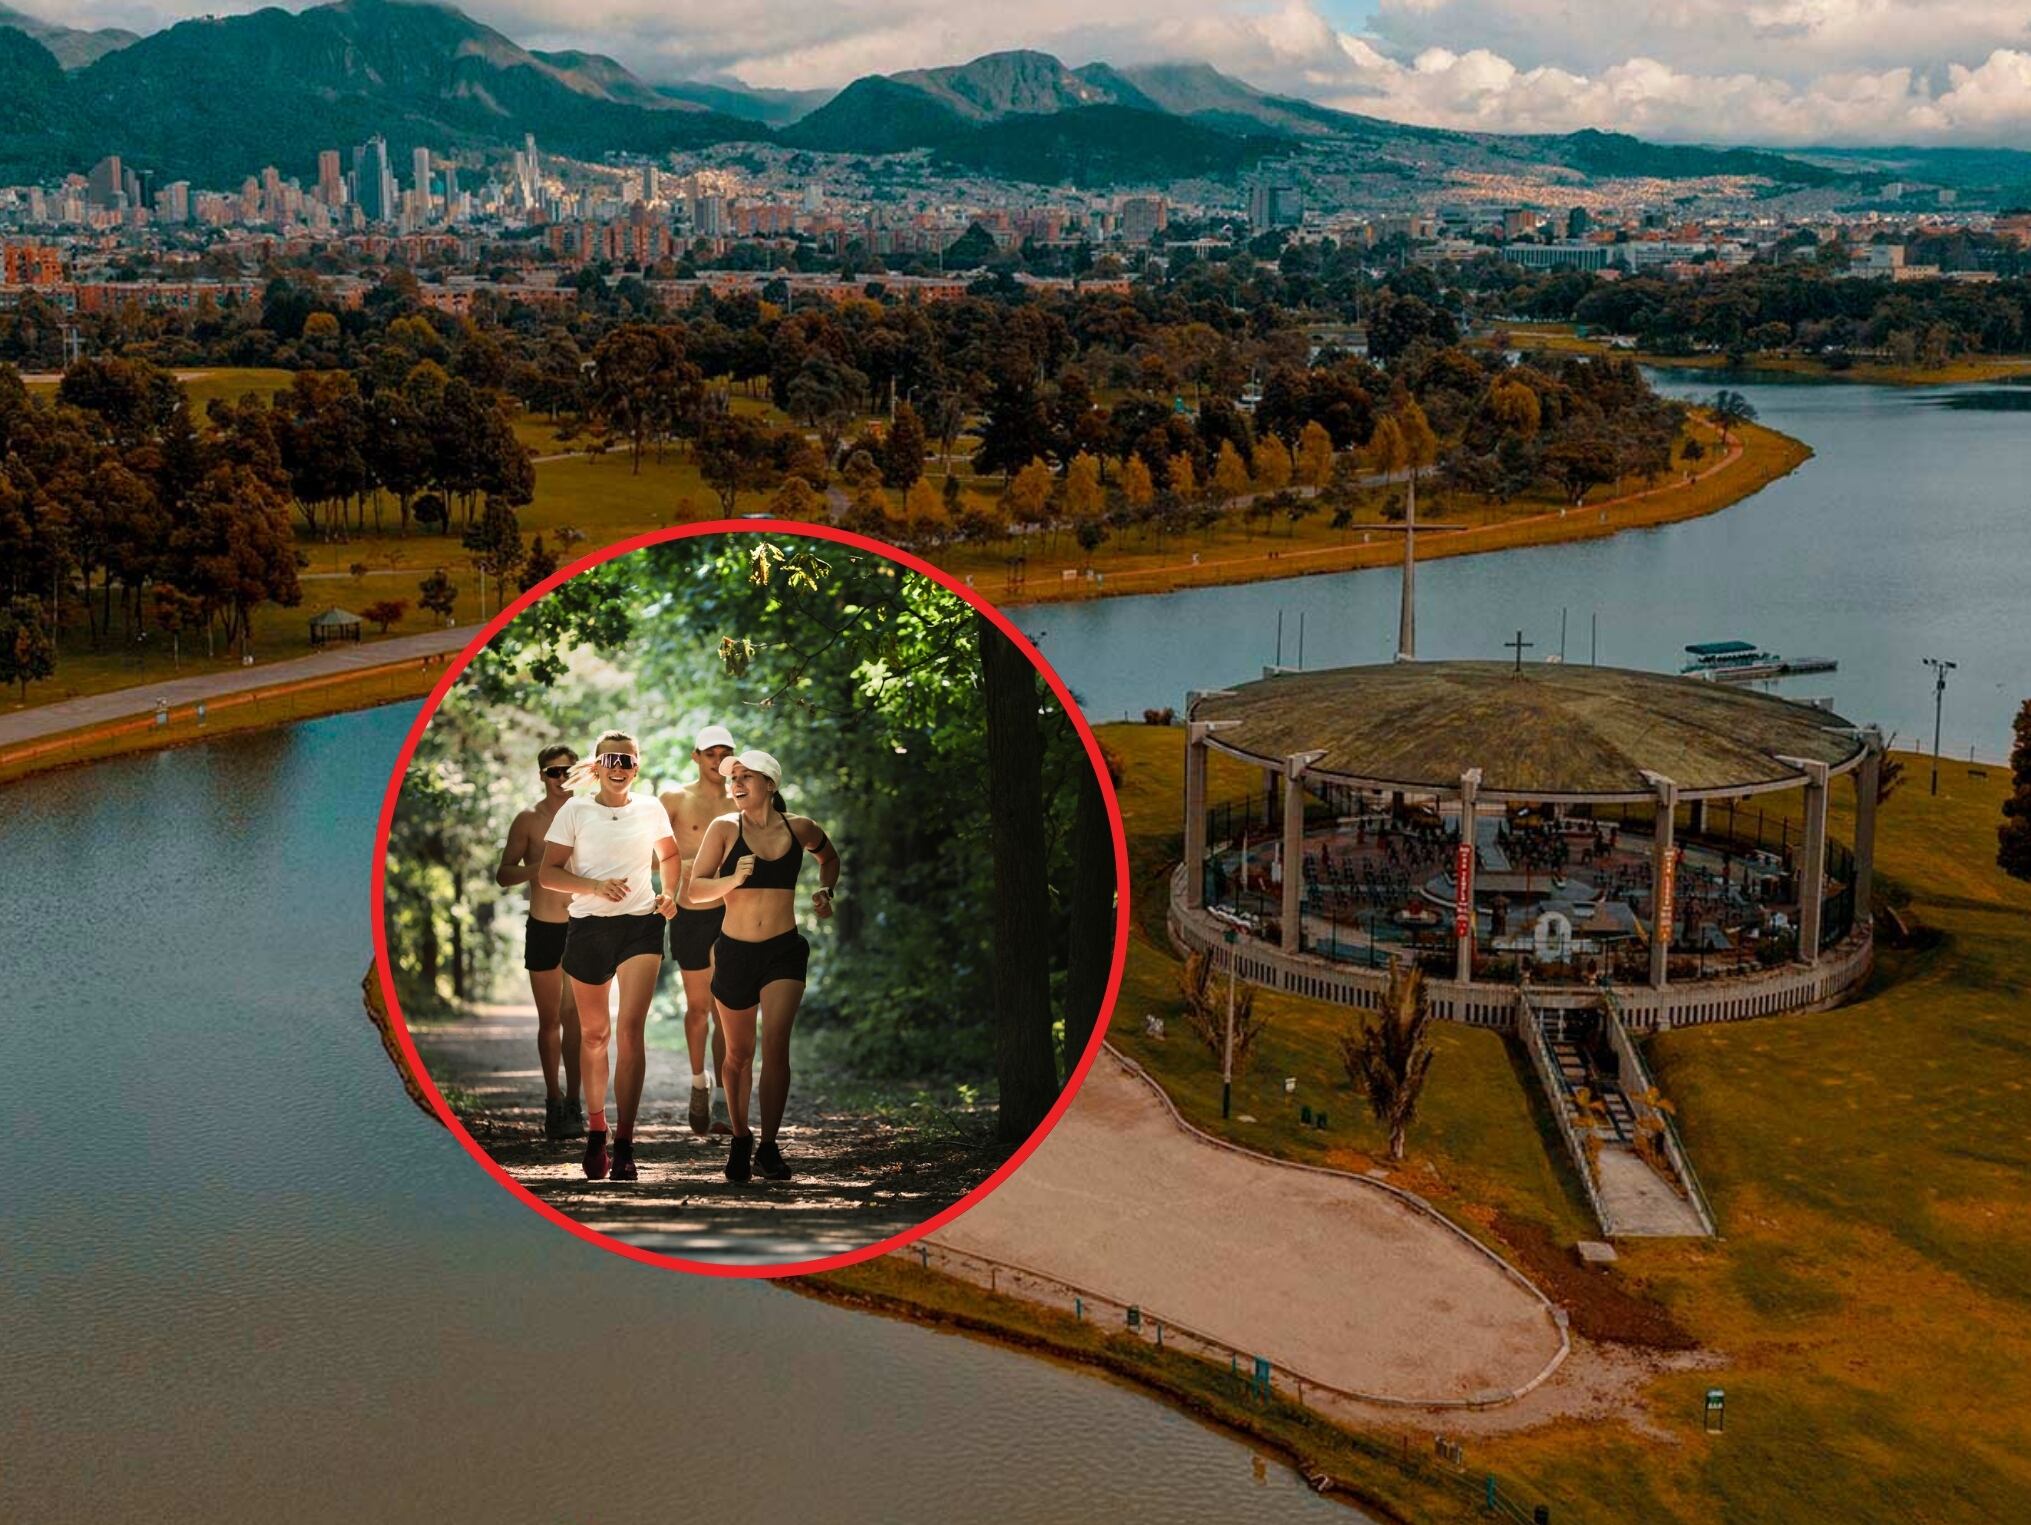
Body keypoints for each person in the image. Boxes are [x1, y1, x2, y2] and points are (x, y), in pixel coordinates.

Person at [684, 750, 839, 1184]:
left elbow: (829, 858)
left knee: (775, 1046)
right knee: (738, 1055)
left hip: (783, 952)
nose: (735, 783)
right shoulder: (723, 828)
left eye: (745, 776)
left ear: (770, 784)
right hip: (734, 953)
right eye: (732, 778)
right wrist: (733, 879)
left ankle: (769, 1147)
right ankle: (740, 1137)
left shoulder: (800, 828)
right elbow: (695, 890)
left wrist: (826, 890)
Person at [537, 731, 681, 1184]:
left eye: (627, 760)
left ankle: (624, 1145)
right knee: (596, 1035)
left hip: (641, 925)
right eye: (610, 760)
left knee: (631, 1032)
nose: (619, 768)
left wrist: (669, 893)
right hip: (589, 928)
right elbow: (548, 874)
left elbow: (670, 855)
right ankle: (597, 1131)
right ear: (598, 765)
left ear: (637, 766)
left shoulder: (651, 808)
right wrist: (594, 887)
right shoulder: (575, 810)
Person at [493, 743, 584, 1141]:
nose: (561, 778)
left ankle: (575, 1102)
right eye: (553, 771)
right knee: (550, 1021)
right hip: (545, 927)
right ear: (542, 775)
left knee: (575, 1018)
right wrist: (540, 866)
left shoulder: (590, 815)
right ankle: (553, 1101)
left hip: (582, 925)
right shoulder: (528, 820)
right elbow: (503, 874)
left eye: (568, 771)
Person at [660, 724, 736, 1135]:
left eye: (724, 754)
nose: (717, 761)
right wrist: (674, 873)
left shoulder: (741, 798)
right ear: (696, 756)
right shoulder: (675, 798)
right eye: (710, 753)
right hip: (689, 913)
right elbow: (646, 847)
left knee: (725, 1008)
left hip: (730, 913)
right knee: (698, 1009)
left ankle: (724, 1095)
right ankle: (698, 1083)